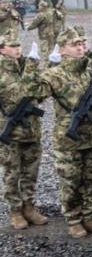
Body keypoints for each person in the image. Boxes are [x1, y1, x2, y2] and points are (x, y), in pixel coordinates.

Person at [25, 26, 92, 238]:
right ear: (62, 50)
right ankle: (73, 220)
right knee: (70, 181)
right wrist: (31, 68)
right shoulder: (54, 74)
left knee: (91, 179)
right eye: (74, 45)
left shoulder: (91, 72)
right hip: (68, 139)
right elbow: (34, 93)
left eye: (82, 44)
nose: (80, 48)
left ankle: (88, 215)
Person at [0, 35, 49, 230]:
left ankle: (29, 207)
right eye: (12, 46)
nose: (17, 48)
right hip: (9, 132)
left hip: (31, 130)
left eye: (19, 45)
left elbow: (40, 93)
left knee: (31, 171)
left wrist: (34, 69)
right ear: (2, 49)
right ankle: (15, 210)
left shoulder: (28, 67)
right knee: (12, 173)